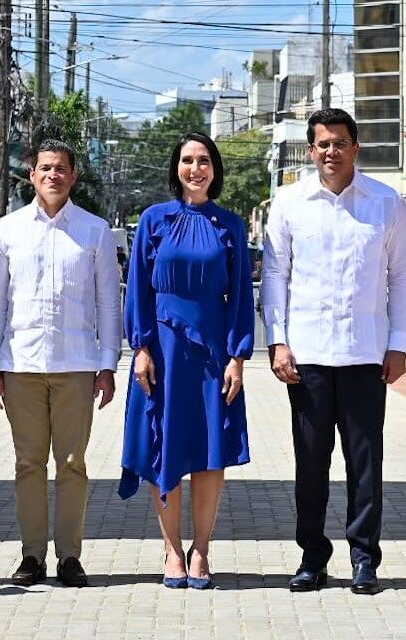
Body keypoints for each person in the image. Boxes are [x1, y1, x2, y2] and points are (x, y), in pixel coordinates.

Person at [261, 108, 406, 595]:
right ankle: (312, 557)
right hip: (306, 356)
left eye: (340, 143)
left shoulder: (386, 202)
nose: (331, 152)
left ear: (356, 147)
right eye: (322, 144)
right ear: (311, 150)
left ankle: (365, 559)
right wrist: (278, 341)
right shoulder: (288, 203)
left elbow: (401, 277)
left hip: (366, 354)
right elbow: (275, 276)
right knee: (311, 462)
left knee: (365, 463)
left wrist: (397, 345)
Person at [0, 139, 121, 588]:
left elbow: (107, 302)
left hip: (77, 364)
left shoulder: (95, 230)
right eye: (45, 168)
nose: (53, 175)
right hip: (20, 364)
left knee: (73, 463)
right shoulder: (8, 230)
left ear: (73, 175)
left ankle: (70, 556)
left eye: (61, 168)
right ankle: (32, 556)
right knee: (28, 464)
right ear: (32, 176)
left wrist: (107, 363)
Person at [119, 132, 255, 590]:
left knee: (210, 452)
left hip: (213, 352)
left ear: (215, 169)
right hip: (162, 351)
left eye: (203, 161)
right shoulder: (153, 220)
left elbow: (240, 298)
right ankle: (171, 550)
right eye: (186, 161)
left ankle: (202, 548)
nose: (195, 169)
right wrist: (139, 347)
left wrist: (238, 356)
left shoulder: (230, 225)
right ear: (175, 168)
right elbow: (138, 286)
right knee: (166, 447)